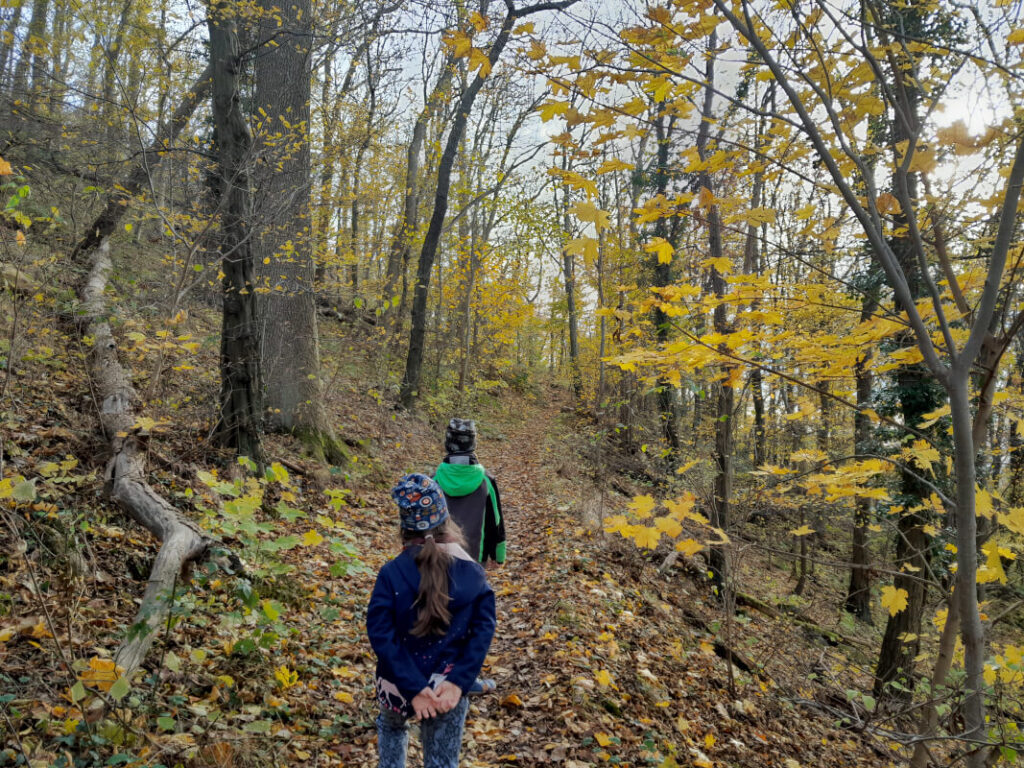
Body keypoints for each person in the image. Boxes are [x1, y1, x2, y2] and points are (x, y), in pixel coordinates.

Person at [367, 473, 496, 768]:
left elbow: (380, 633)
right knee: (441, 761)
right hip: (446, 687)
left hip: (396, 682)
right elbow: (483, 629)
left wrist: (412, 687)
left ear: (403, 527)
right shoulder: (473, 573)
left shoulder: (391, 573)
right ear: (445, 520)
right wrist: (458, 682)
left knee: (391, 727)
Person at [433, 418, 506, 567]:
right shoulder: (486, 480)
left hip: (440, 557)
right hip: (476, 558)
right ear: (473, 443)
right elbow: (495, 521)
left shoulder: (434, 480)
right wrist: (498, 555)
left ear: (448, 443)